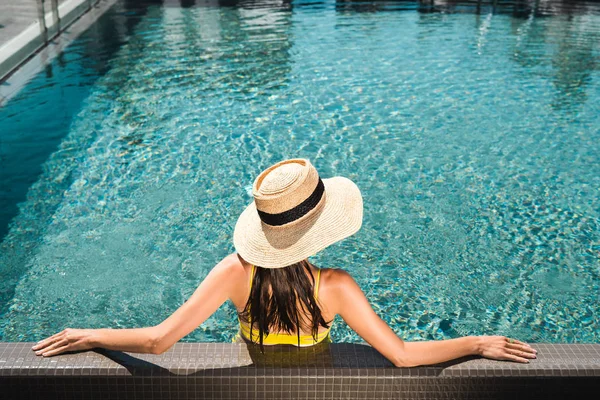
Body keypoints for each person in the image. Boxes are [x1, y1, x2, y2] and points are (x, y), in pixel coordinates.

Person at [32, 159, 537, 366]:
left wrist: (93, 334)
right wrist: (476, 342)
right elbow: (402, 355)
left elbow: (158, 340)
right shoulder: (336, 286)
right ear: (319, 228)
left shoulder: (233, 273)